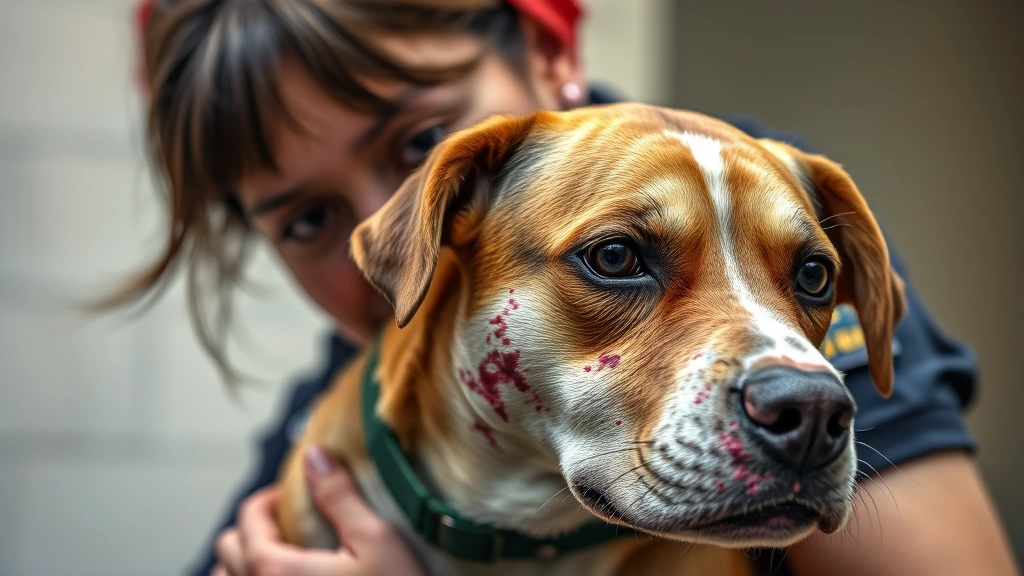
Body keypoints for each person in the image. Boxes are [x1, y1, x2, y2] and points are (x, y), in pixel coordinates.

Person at [123, 1, 1017, 575]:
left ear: (552, 55)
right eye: (309, 220)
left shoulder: (771, 203)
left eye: (420, 139)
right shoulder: (332, 424)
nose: (395, 239)